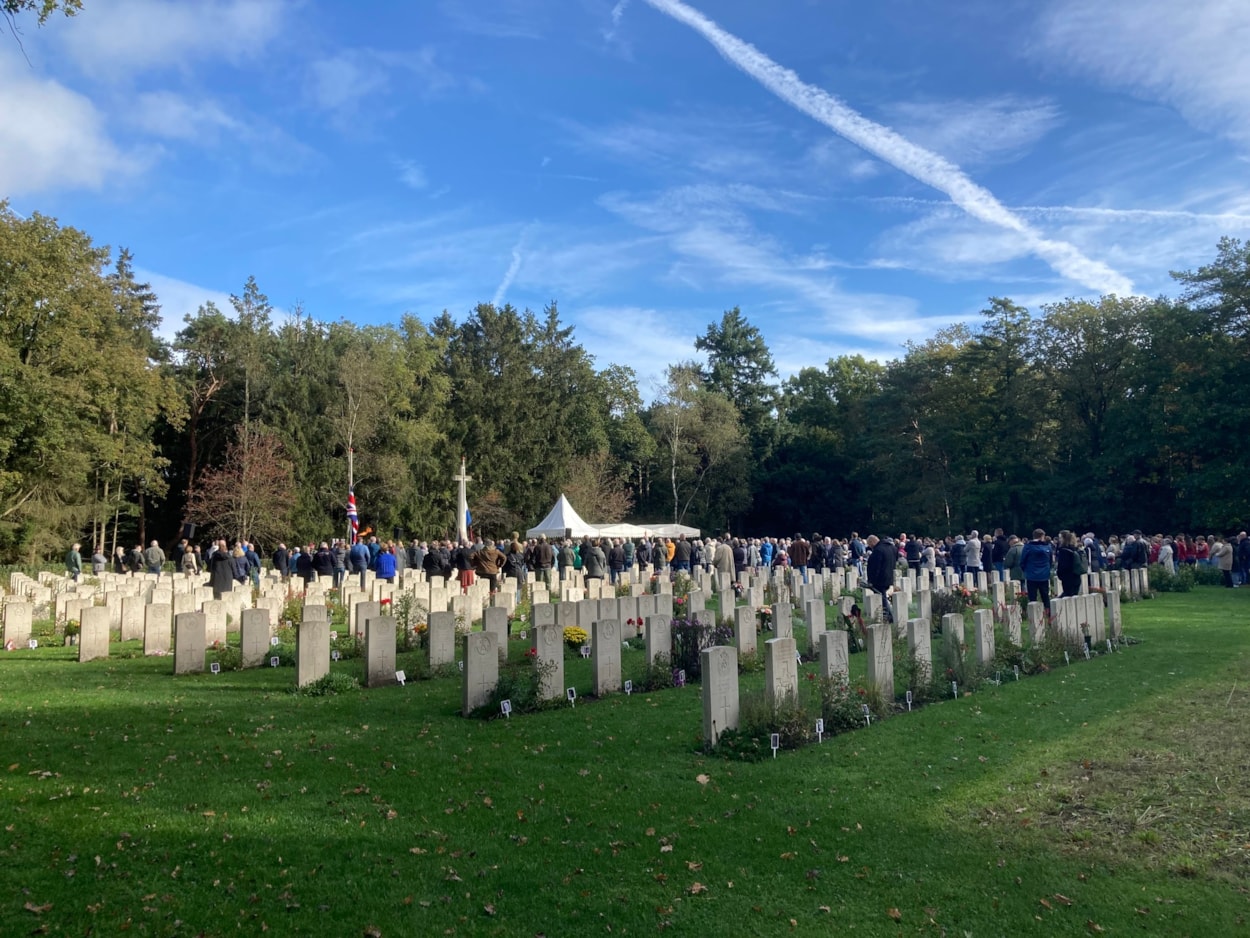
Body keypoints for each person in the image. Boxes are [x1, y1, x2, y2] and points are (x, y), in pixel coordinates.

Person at [865, 535, 898, 620]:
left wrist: (872, 580)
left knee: (881, 597)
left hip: (880, 579)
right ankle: (887, 614)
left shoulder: (878, 550)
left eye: (869, 544)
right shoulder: (892, 548)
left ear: (872, 542)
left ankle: (888, 616)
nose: (870, 547)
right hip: (889, 576)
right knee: (883, 596)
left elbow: (875, 567)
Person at [1020, 529, 1053, 607]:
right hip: (1044, 576)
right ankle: (1049, 614)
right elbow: (1050, 561)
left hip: (1031, 576)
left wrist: (1026, 571)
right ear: (1042, 536)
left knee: (1032, 598)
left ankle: (1034, 616)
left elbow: (1022, 561)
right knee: (1045, 597)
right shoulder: (1048, 547)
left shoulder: (1028, 547)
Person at [1055, 531, 1084, 598]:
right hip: (1076, 576)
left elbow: (1063, 566)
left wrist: (1059, 574)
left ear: (1064, 539)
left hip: (1067, 578)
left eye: (1060, 538)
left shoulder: (1064, 551)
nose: (1059, 540)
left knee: (1068, 596)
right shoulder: (1075, 549)